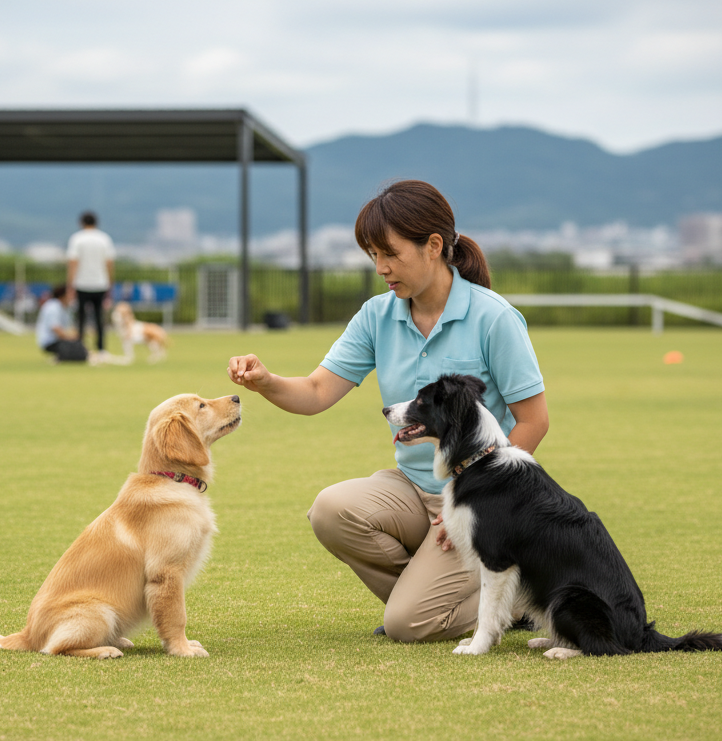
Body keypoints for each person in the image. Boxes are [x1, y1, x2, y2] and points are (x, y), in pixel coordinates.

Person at [227, 180, 549, 643]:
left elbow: (534, 420)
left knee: (406, 624)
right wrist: (265, 381)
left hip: (481, 498)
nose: (380, 268)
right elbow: (317, 391)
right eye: (372, 256)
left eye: (390, 254)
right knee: (331, 510)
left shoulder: (494, 318)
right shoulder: (378, 315)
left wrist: (470, 497)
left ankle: (507, 600)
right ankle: (484, 593)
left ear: (433, 246)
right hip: (412, 489)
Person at [66, 211, 116, 356]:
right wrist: (110, 283)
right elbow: (109, 263)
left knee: (80, 319)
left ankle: (80, 348)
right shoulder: (104, 239)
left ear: (81, 223)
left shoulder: (77, 239)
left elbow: (73, 263)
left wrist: (70, 285)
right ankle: (101, 349)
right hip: (100, 283)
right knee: (99, 318)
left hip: (81, 283)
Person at [35, 284, 88, 363]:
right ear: (62, 296)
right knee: (77, 348)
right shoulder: (52, 307)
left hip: (61, 339)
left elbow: (70, 327)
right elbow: (56, 329)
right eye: (70, 294)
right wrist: (71, 338)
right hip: (50, 341)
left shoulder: (67, 308)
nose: (73, 297)